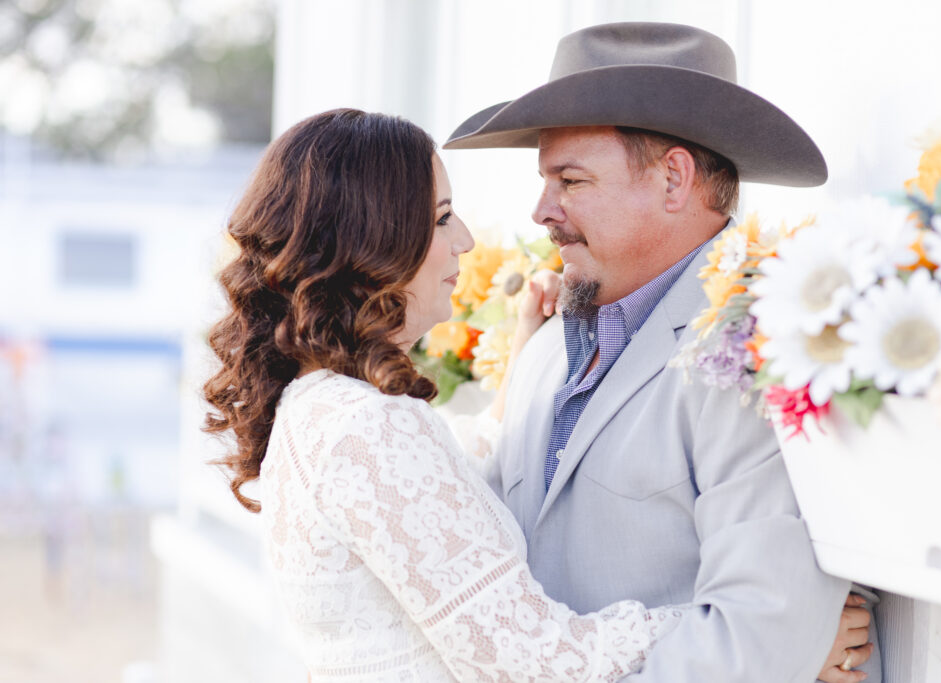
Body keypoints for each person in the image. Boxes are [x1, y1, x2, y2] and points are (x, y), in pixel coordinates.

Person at [202, 107, 712, 682]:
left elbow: (442, 497)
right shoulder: (369, 428)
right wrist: (743, 631)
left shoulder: (318, 407)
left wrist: (519, 364)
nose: (465, 240)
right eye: (443, 218)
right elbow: (538, 661)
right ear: (371, 240)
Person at [444, 22, 880, 682]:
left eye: (570, 179)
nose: (541, 209)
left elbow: (760, 636)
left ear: (674, 179)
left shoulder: (757, 353)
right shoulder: (542, 355)